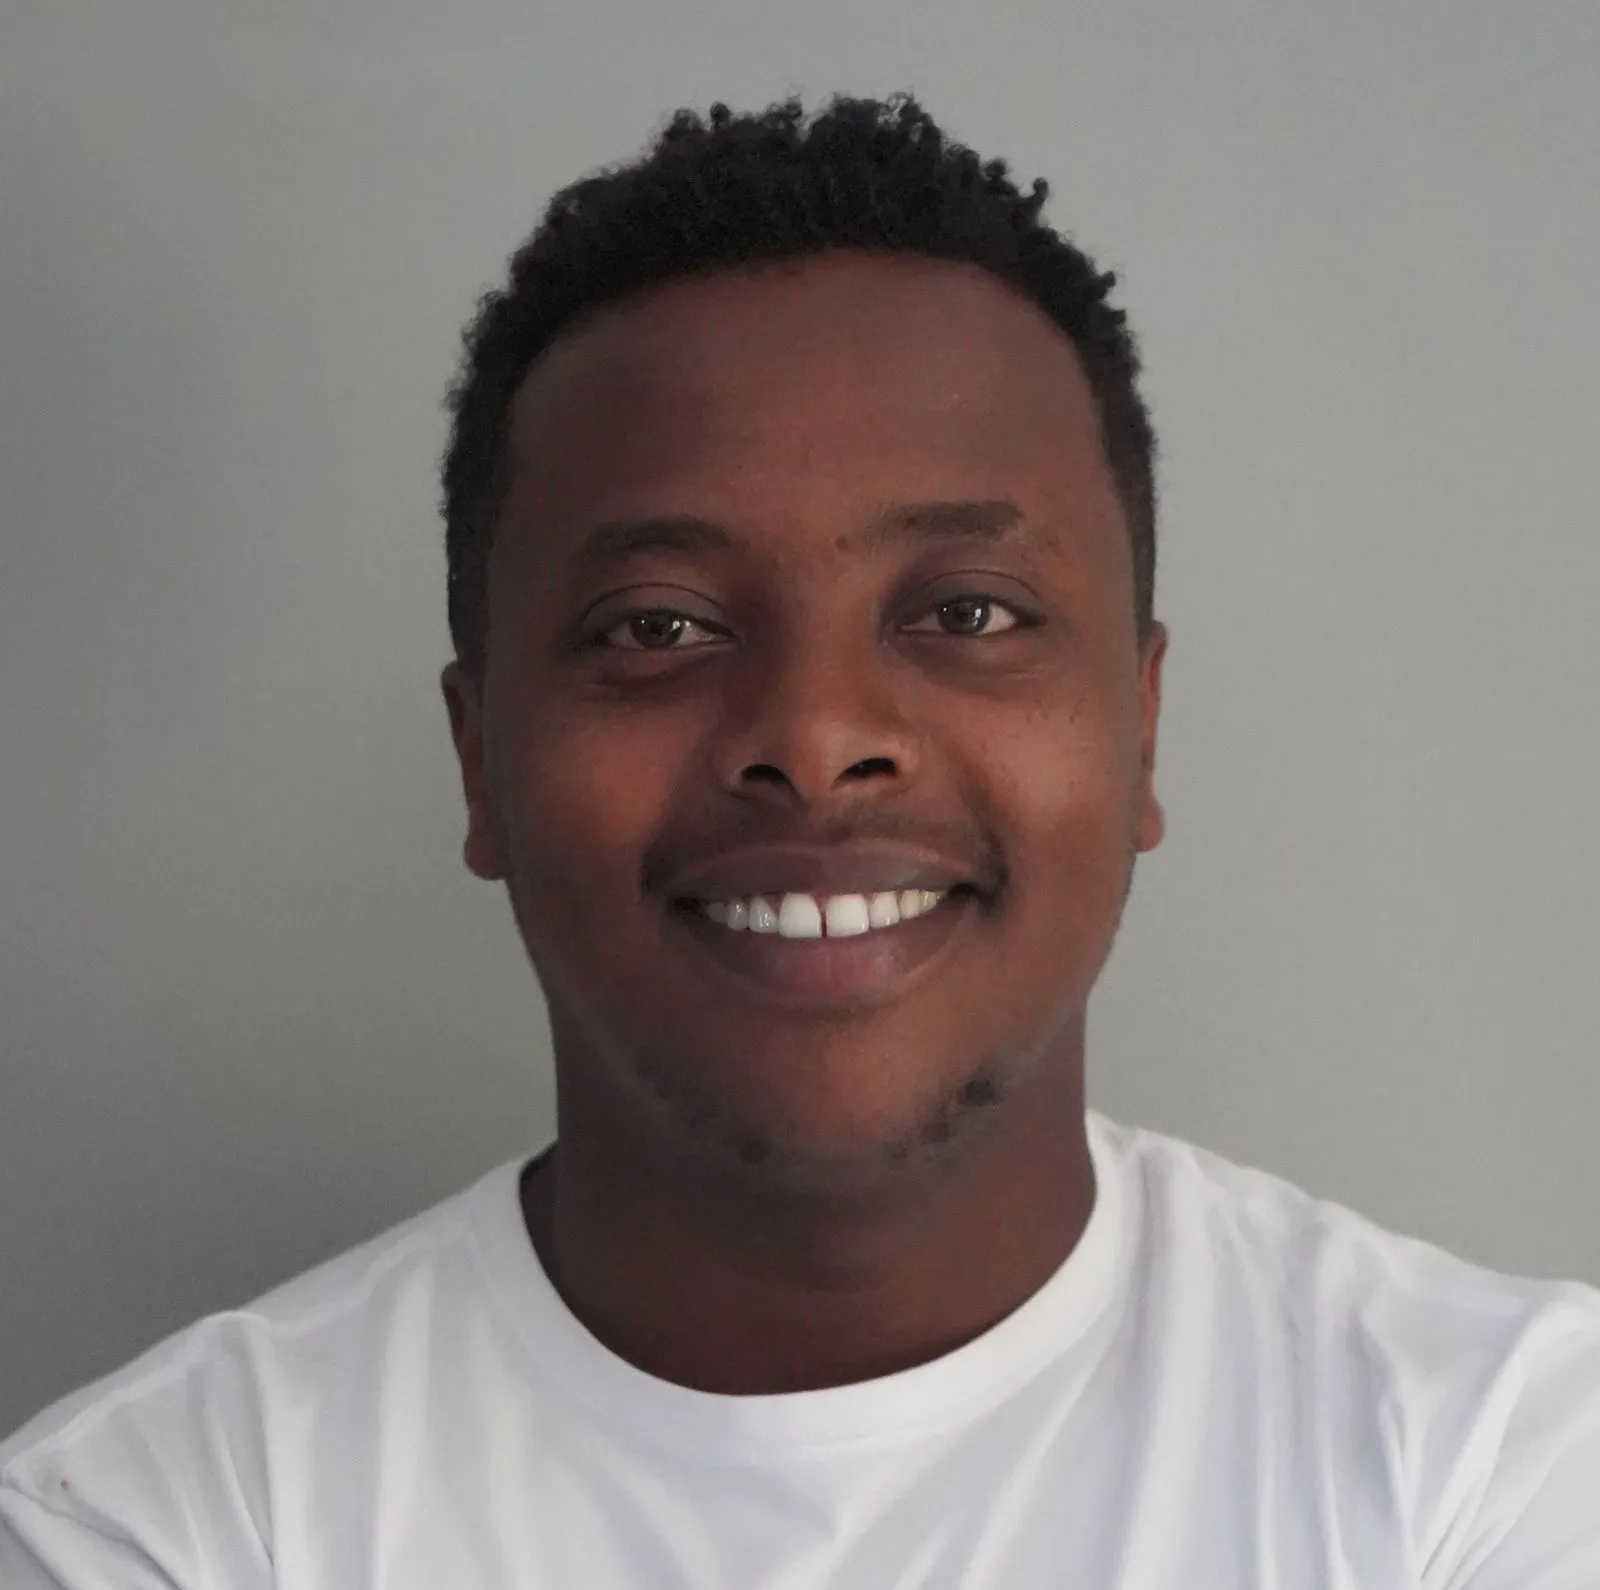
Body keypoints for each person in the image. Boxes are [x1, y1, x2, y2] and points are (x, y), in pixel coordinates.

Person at [2, 91, 1596, 1589]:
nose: (820, 735)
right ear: (479, 760)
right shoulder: (169, 1524)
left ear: (1141, 725)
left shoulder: (1493, 1457)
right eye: (659, 625)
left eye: (967, 611)